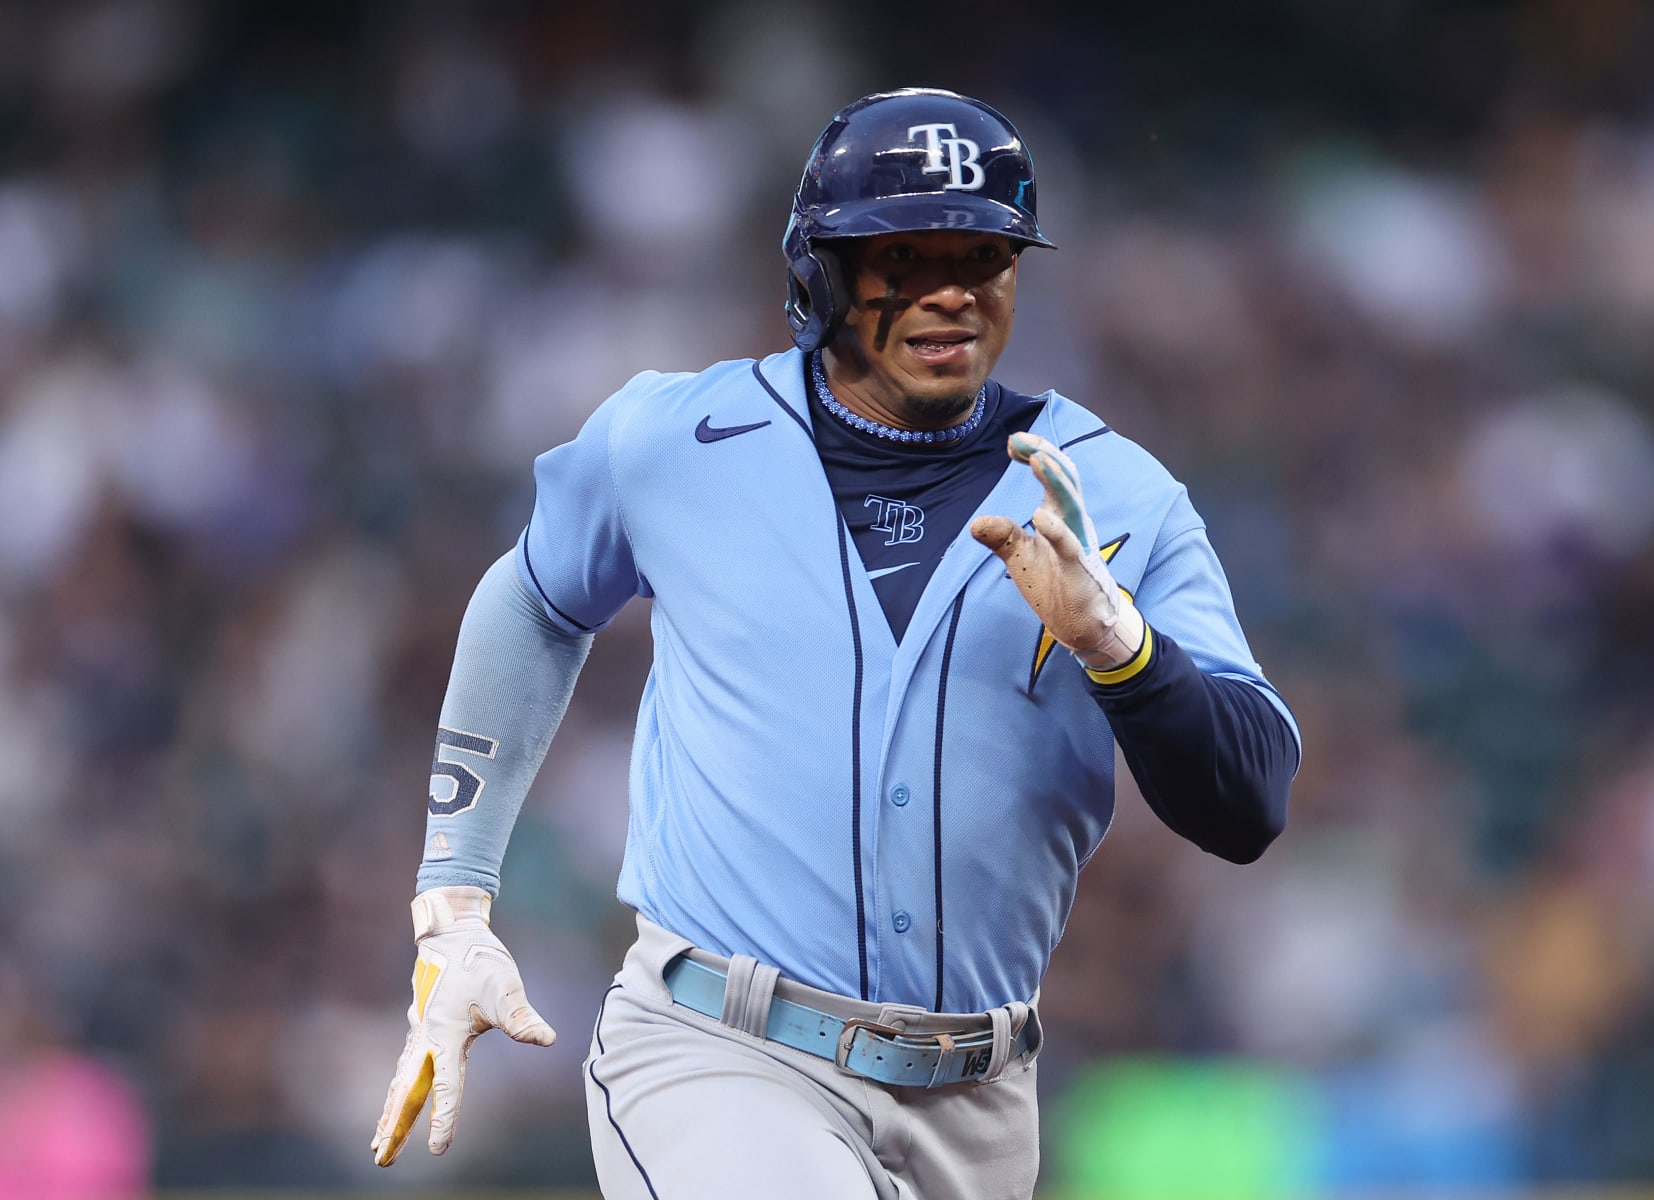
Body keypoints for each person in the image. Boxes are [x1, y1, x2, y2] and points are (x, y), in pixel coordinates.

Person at [371, 87, 1300, 1200]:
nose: (950, 290)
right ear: (818, 269)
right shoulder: (674, 441)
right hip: (721, 1049)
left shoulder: (1114, 492)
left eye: (985, 254)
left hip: (982, 1095)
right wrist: (454, 900)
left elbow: (1249, 803)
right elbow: (533, 601)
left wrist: (1121, 647)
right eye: (902, 255)